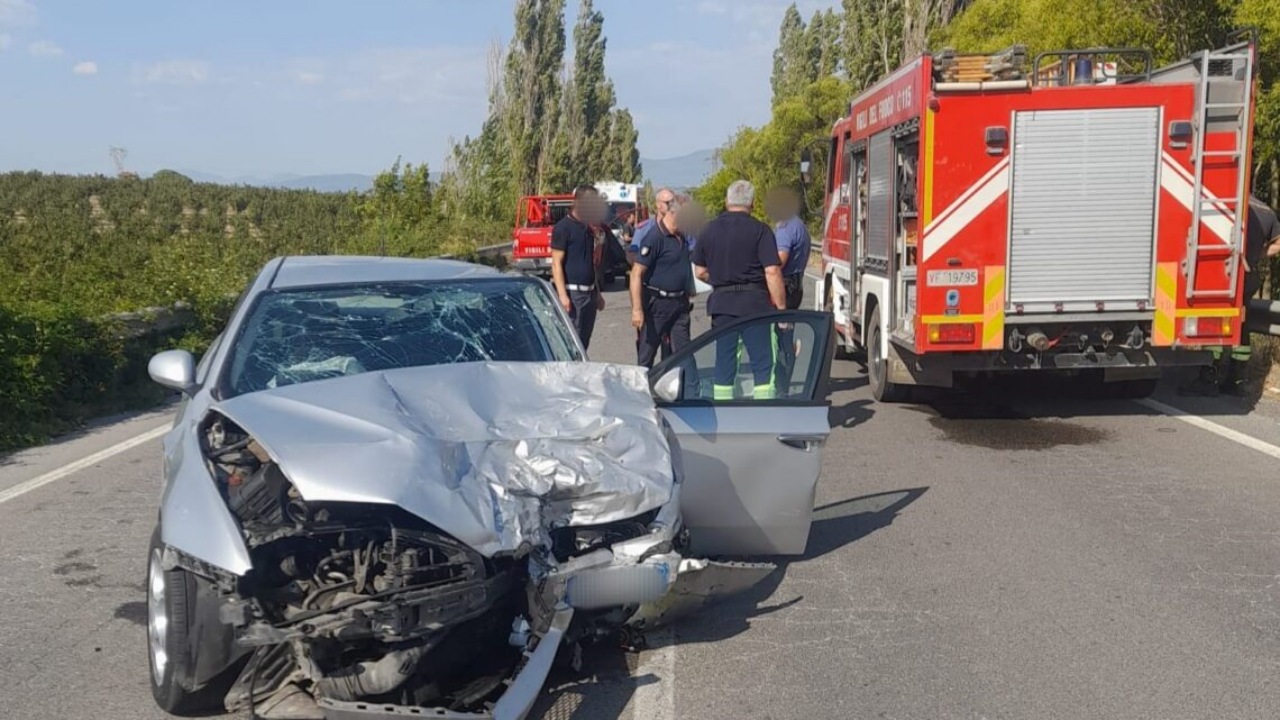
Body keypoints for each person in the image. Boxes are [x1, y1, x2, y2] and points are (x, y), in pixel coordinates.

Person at [691, 180, 786, 400]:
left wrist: (722, 281)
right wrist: (781, 309)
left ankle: (724, 413)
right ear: (752, 203)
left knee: (724, 363)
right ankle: (765, 413)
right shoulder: (760, 231)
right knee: (763, 364)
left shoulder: (708, 230)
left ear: (726, 202)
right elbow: (772, 272)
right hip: (756, 305)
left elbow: (700, 271)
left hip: (722, 305)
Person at [1180, 194, 1280, 396]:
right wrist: (1254, 255)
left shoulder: (1223, 202)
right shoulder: (1266, 211)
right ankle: (1236, 380)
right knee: (1241, 325)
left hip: (1222, 272)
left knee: (1213, 321)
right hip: (1247, 274)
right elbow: (1278, 243)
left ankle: (1208, 377)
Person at [631, 194, 695, 367]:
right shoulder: (654, 238)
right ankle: (641, 391)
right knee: (646, 356)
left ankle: (689, 391)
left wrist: (690, 286)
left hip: (680, 304)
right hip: (657, 306)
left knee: (685, 355)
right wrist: (637, 309)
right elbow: (636, 273)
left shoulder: (681, 237)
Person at [551, 185, 609, 350]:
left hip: (589, 294)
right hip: (572, 295)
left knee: (584, 341)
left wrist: (597, 293)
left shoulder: (590, 228)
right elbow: (556, 264)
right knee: (572, 342)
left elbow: (591, 263)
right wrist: (563, 296)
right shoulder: (563, 228)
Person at [766, 187, 811, 395]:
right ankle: (785, 378)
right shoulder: (799, 224)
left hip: (784, 286)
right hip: (796, 283)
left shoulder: (785, 227)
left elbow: (779, 261)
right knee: (786, 334)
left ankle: (781, 386)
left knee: (780, 337)